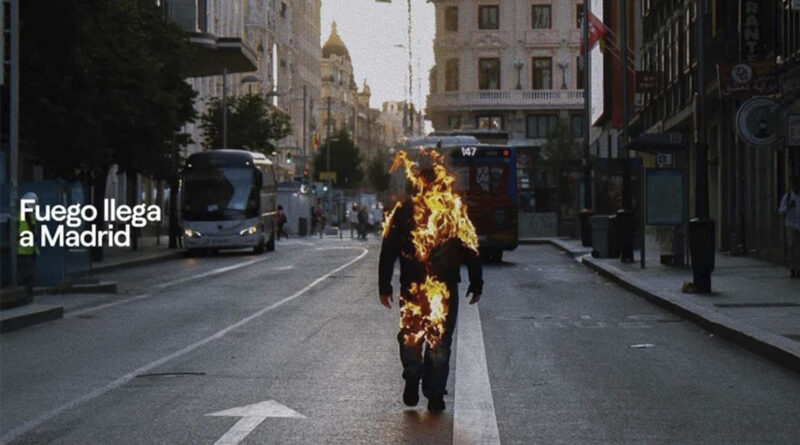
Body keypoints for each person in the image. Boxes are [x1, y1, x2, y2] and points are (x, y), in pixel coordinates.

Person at [378, 179, 483, 413]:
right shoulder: (453, 209)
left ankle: (413, 372)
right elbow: (471, 246)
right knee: (440, 340)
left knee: (411, 333)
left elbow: (389, 249)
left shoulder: (403, 211)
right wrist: (476, 282)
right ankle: (435, 394)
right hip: (444, 287)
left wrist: (384, 286)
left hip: (412, 286)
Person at [17, 192, 40, 301]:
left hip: (30, 250)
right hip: (22, 250)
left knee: (30, 274)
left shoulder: (31, 217)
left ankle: (28, 294)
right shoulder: (18, 216)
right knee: (27, 274)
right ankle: (26, 294)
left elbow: (34, 232)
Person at [779, 175, 800, 278]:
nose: (796, 187)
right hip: (790, 225)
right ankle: (792, 268)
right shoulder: (787, 197)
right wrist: (788, 206)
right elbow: (781, 211)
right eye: (794, 185)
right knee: (791, 246)